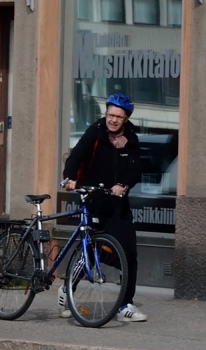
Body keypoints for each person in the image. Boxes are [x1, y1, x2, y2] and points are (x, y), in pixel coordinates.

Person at [60, 93, 146, 322]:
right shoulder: (95, 133)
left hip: (118, 203)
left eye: (119, 116)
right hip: (94, 199)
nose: (113, 120)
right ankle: (68, 288)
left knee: (129, 252)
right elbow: (75, 157)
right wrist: (69, 178)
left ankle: (125, 304)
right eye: (110, 114)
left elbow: (136, 169)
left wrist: (123, 184)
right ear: (105, 113)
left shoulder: (131, 138)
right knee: (90, 249)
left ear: (126, 118)